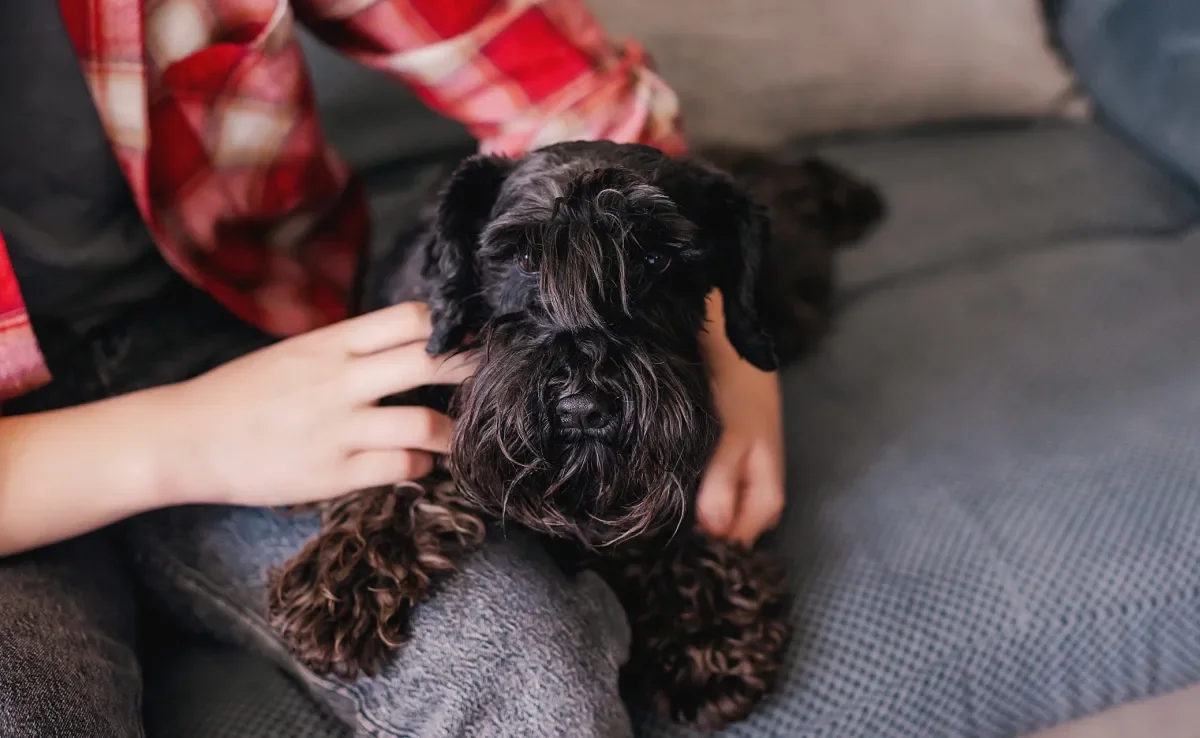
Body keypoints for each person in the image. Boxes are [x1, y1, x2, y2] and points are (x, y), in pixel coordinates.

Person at [0, 1, 786, 736]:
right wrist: (181, 442)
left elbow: (556, 85)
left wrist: (738, 353)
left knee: (532, 678)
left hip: (250, 325)